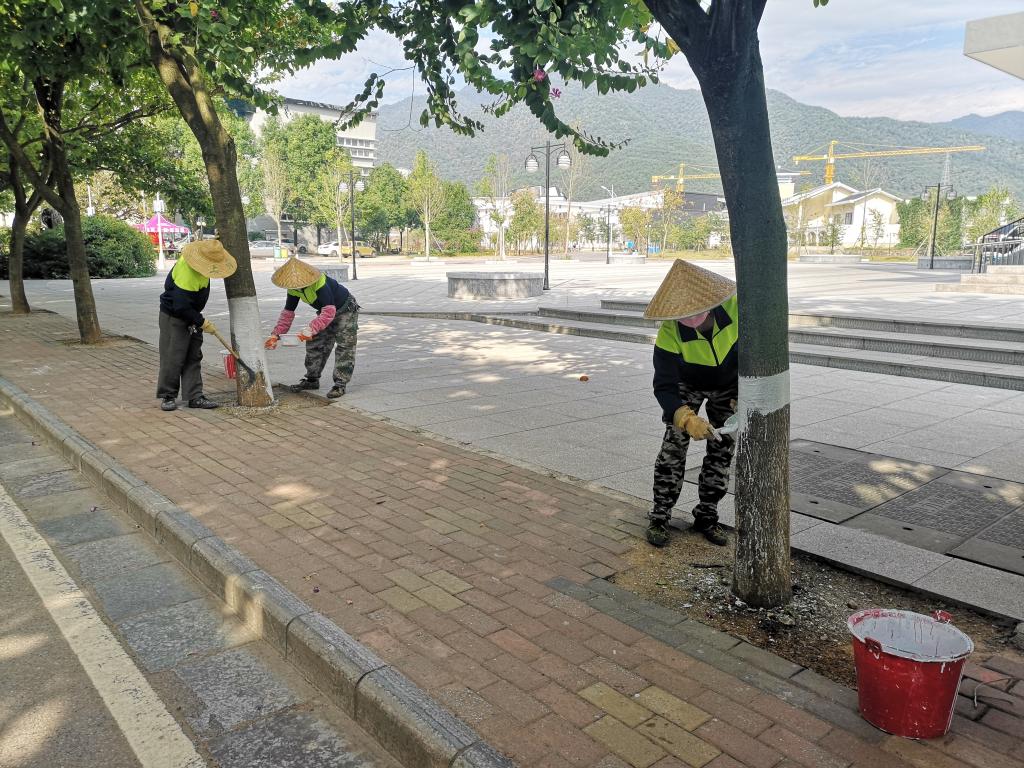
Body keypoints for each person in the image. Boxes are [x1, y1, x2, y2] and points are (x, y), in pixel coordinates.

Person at [644, 260, 739, 548]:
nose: (692, 318)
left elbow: (755, 355)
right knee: (673, 448)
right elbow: (664, 386)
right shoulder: (670, 332)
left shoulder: (737, 311)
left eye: (697, 311)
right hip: (687, 385)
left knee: (722, 450)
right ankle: (660, 515)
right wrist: (685, 418)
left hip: (729, 386)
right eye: (684, 314)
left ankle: (707, 515)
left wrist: (747, 394)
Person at [157, 239, 236, 412]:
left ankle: (194, 396)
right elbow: (180, 306)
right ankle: (168, 396)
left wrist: (197, 321)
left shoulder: (203, 267)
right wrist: (201, 321)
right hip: (174, 317)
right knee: (173, 357)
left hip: (190, 315)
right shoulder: (187, 271)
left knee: (193, 356)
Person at [264, 257, 359, 399]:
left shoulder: (320, 284)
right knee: (315, 343)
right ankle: (312, 380)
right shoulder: (293, 289)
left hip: (345, 310)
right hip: (326, 313)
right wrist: (275, 335)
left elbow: (329, 312)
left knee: (345, 346)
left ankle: (340, 384)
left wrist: (311, 329)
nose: (295, 286)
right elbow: (288, 313)